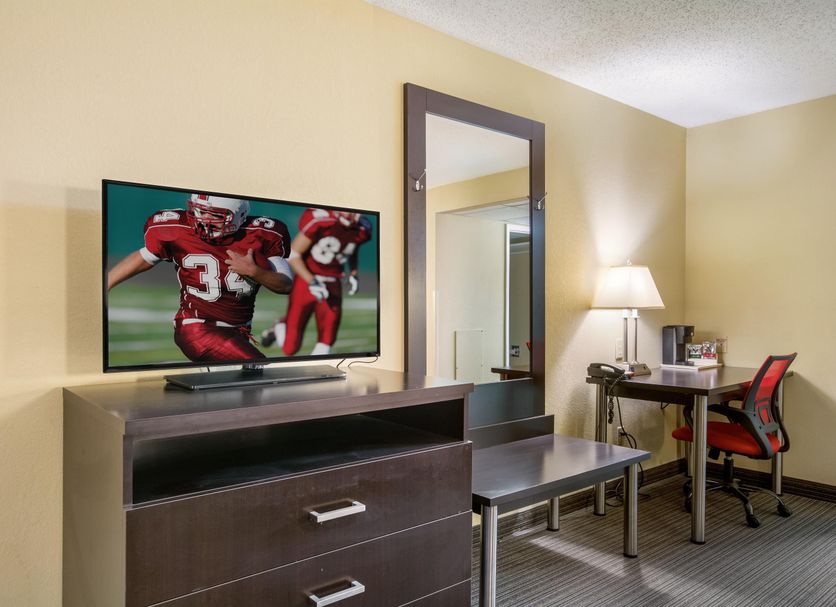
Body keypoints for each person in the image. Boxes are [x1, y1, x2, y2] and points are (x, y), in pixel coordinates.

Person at [107, 193, 293, 362]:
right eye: (200, 212)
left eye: (216, 215)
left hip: (238, 331)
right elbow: (145, 257)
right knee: (259, 368)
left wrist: (254, 271)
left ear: (239, 215)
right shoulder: (177, 229)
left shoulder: (263, 235)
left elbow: (285, 285)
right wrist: (104, 285)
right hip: (197, 328)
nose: (204, 220)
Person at [261, 208, 372, 356]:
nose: (354, 214)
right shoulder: (321, 221)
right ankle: (280, 326)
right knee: (290, 349)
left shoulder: (362, 228)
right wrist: (312, 281)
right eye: (349, 210)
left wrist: (354, 272)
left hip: (333, 282)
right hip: (306, 282)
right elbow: (293, 254)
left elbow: (352, 248)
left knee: (326, 345)